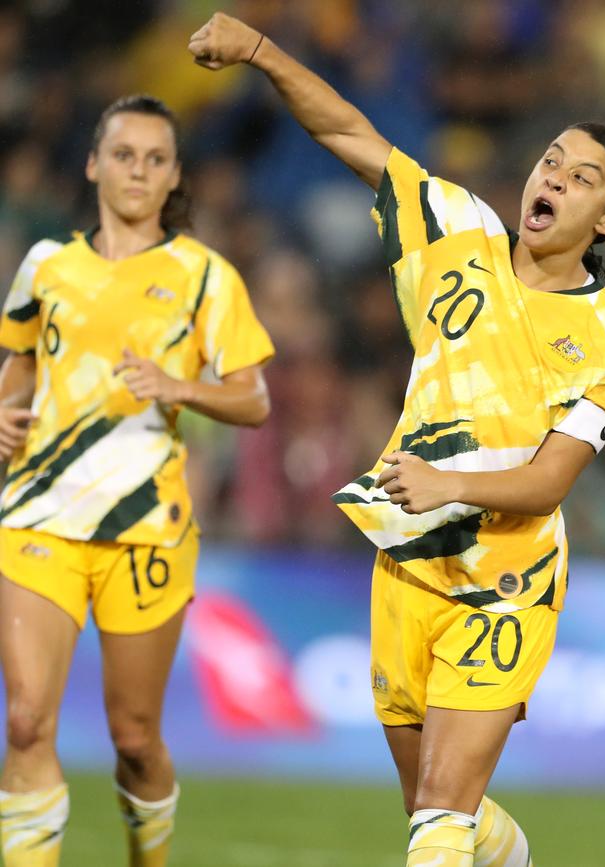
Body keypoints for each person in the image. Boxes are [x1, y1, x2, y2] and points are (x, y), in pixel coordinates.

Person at [188, 14, 605, 867]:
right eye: (550, 159)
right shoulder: (455, 228)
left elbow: (550, 482)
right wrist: (259, 50)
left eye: (580, 177)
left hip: (505, 580)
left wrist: (448, 484)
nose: (552, 177)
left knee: (437, 818)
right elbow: (347, 132)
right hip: (406, 559)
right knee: (433, 807)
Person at [0, 93, 274, 867]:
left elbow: (253, 397)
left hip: (145, 528)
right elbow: (21, 359)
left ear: (174, 175)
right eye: (124, 154)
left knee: (136, 738)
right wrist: (5, 411)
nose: (138, 172)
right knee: (25, 722)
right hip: (36, 514)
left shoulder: (203, 278)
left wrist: (181, 387)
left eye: (156, 159)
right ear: (93, 163)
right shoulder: (45, 264)